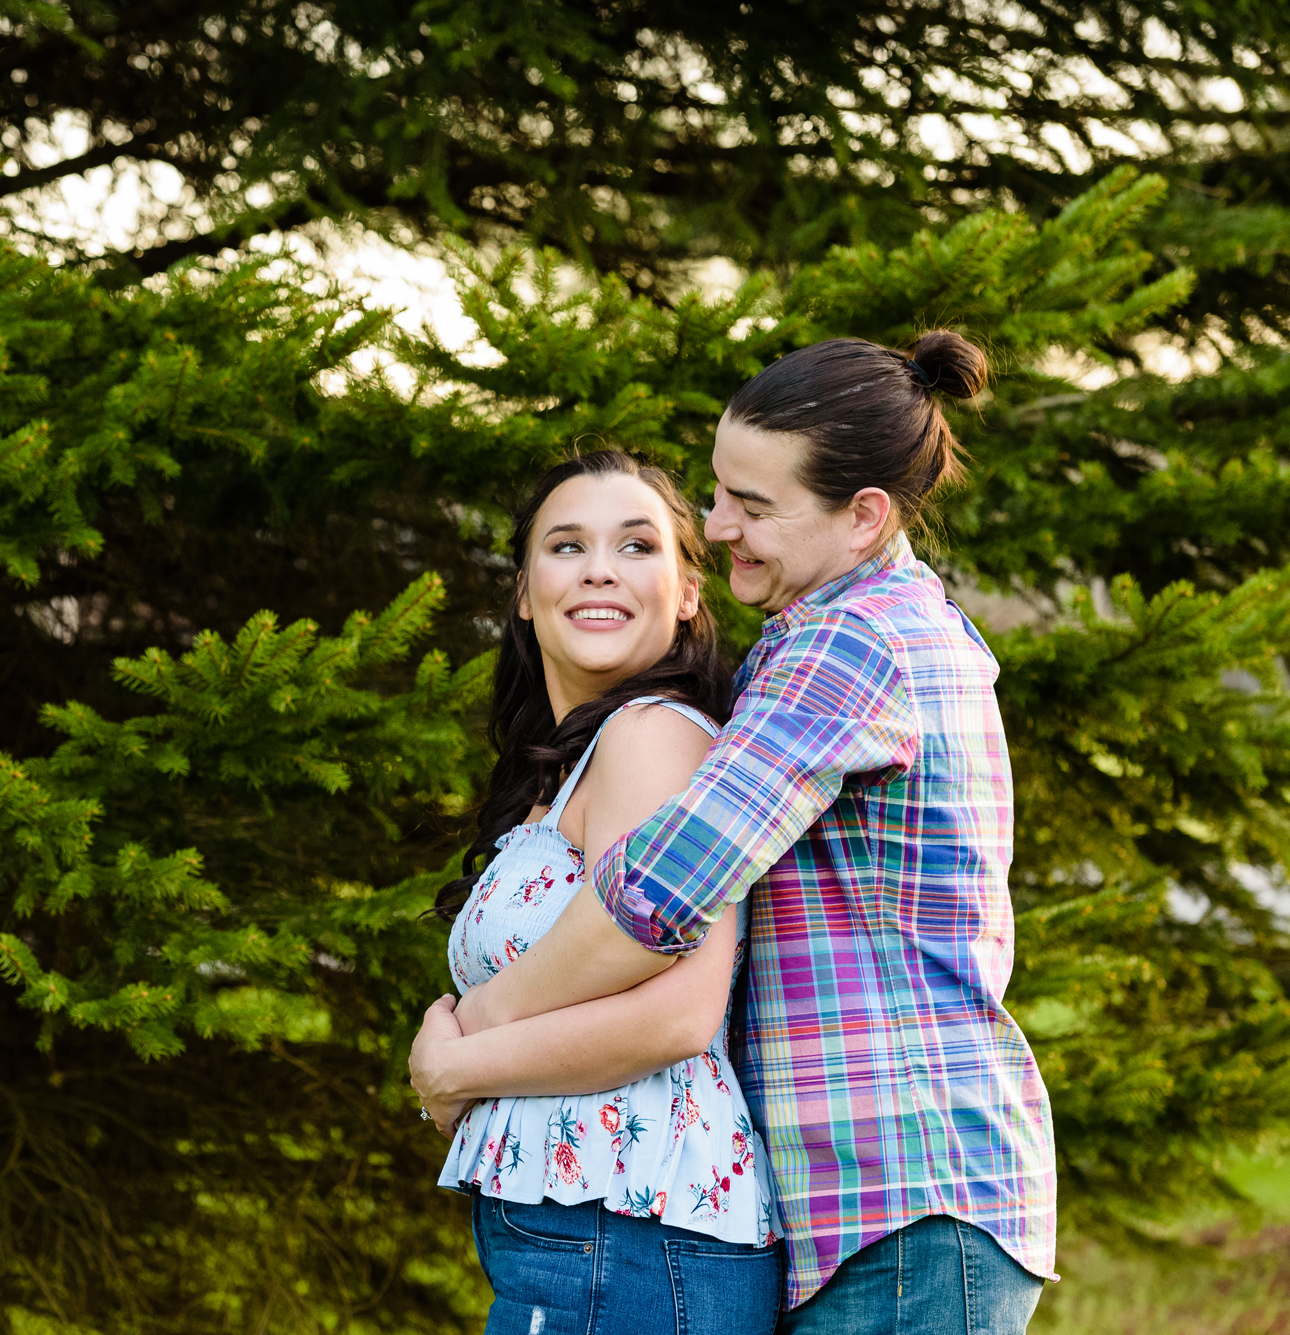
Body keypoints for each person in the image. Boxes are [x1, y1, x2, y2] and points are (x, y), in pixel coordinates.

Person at [424, 333, 1058, 1335]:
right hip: (883, 1201)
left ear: (862, 517)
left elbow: (658, 895)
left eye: (752, 508)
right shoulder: (842, 631)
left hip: (903, 1189)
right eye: (719, 492)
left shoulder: (851, 646)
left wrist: (475, 1034)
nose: (716, 529)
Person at [408, 448, 782, 1335]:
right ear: (525, 592)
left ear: (690, 591)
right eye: (567, 545)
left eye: (638, 546)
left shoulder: (652, 738)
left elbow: (678, 1015)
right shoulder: (581, 760)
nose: (601, 569)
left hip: (625, 1241)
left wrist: (457, 1061)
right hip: (597, 1245)